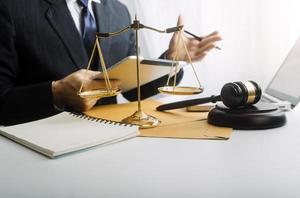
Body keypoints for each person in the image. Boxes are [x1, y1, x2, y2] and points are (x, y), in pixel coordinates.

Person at [0, 0, 221, 125]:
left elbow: (133, 91)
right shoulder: (11, 8)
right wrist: (55, 93)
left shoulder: (119, 12)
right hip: (42, 145)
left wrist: (171, 61)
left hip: (112, 138)